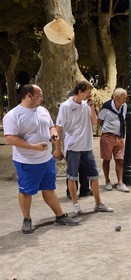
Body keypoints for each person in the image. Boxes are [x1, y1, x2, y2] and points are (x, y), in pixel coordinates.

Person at [3, 84, 78, 233]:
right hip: (27, 161)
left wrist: (54, 135)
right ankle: (27, 219)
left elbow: (51, 126)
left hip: (46, 159)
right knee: (26, 191)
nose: (42, 98)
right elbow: (11, 139)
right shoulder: (13, 115)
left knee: (49, 189)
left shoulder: (43, 110)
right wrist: (33, 147)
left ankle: (60, 216)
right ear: (29, 95)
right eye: (39, 95)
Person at [54, 81, 113, 214]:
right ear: (80, 92)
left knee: (94, 176)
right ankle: (75, 203)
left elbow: (94, 122)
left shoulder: (87, 105)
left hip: (87, 146)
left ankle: (98, 203)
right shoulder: (66, 106)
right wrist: (57, 148)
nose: (89, 95)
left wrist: (91, 108)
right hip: (73, 147)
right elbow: (58, 128)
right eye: (87, 92)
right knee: (72, 176)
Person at [97, 88, 129, 192]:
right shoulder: (107, 106)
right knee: (107, 160)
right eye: (123, 96)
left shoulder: (124, 107)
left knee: (119, 160)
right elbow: (99, 120)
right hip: (108, 137)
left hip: (119, 137)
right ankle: (107, 181)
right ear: (116, 97)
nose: (125, 98)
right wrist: (108, 130)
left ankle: (120, 183)